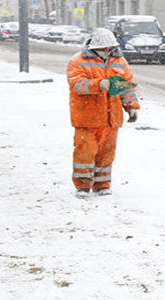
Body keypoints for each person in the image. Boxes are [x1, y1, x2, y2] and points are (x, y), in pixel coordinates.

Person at [66, 27, 139, 198]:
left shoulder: (120, 62)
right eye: (104, 48)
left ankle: (102, 184)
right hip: (87, 118)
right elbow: (77, 85)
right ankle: (82, 185)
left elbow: (126, 87)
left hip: (111, 119)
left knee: (106, 153)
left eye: (110, 48)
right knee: (85, 152)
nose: (107, 51)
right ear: (94, 47)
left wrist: (131, 107)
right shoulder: (77, 61)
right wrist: (98, 84)